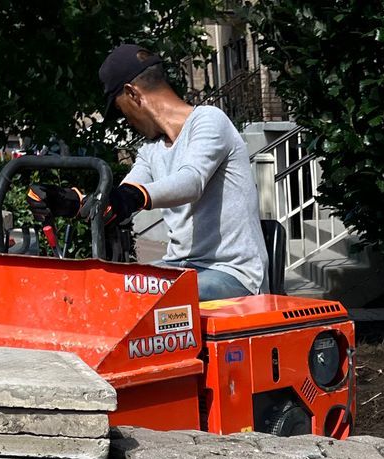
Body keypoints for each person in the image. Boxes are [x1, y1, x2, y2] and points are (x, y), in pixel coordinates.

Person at [94, 42, 267, 301]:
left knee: (151, 295)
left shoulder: (209, 120)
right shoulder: (151, 150)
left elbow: (190, 181)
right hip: (181, 268)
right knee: (117, 290)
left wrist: (134, 197)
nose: (127, 121)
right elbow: (123, 195)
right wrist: (76, 202)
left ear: (132, 93)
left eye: (121, 110)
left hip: (232, 273)